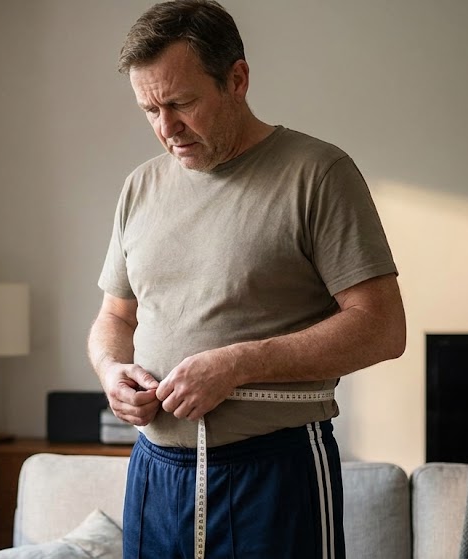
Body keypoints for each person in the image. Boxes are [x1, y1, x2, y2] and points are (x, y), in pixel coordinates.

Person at [87, 1, 406, 557]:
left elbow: (381, 328)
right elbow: (115, 317)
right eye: (150, 109)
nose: (167, 129)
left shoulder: (318, 174)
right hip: (154, 471)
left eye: (181, 103)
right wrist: (112, 372)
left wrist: (238, 364)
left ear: (237, 79)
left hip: (274, 472)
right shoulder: (139, 188)